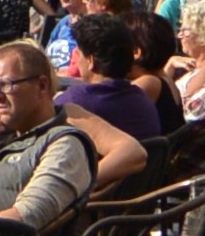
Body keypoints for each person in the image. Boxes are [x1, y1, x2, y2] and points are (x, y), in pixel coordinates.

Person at [0, 41, 146, 229]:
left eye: (7, 85)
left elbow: (28, 215)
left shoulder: (64, 140)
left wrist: (84, 183)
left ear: (42, 86)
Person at [60, 13, 163, 144]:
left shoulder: (75, 100)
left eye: (78, 54)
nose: (75, 60)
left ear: (91, 60)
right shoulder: (143, 100)